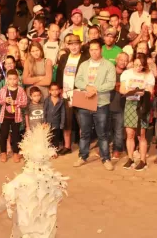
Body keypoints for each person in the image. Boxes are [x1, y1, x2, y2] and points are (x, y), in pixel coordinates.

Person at [74, 39, 116, 171]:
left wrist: (94, 89)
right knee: (85, 132)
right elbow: (77, 80)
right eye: (91, 49)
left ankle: (106, 158)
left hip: (101, 103)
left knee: (102, 133)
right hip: (85, 102)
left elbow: (111, 84)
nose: (93, 52)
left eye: (96, 49)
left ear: (101, 49)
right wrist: (87, 87)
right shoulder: (84, 65)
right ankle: (83, 156)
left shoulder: (108, 65)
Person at [120, 53, 155, 171]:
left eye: (140, 65)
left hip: (142, 106)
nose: (137, 67)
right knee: (130, 133)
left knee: (142, 135)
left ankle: (142, 160)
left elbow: (150, 92)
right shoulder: (127, 73)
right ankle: (130, 158)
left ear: (144, 65)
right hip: (130, 104)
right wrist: (131, 91)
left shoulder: (149, 75)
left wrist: (140, 92)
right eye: (135, 64)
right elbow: (122, 89)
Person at [56, 34, 88, 156]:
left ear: (80, 45)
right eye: (71, 44)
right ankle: (67, 146)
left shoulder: (85, 58)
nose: (74, 47)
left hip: (80, 92)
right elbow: (59, 73)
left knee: (82, 122)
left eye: (76, 44)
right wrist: (59, 89)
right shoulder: (64, 57)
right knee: (67, 121)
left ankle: (83, 148)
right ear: (68, 46)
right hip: (66, 94)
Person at [0, 69, 27, 163]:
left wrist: (15, 102)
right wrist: (5, 100)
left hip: (16, 117)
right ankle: (3, 153)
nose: (12, 81)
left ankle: (15, 153)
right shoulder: (3, 89)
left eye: (14, 79)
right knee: (3, 136)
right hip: (5, 117)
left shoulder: (21, 90)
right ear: (7, 79)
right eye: (10, 79)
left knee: (16, 136)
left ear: (18, 79)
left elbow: (25, 103)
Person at [43, 83, 65, 153]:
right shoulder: (47, 100)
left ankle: (54, 152)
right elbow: (44, 111)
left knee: (56, 138)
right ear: (49, 91)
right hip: (48, 123)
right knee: (48, 138)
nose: (54, 92)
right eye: (52, 90)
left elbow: (62, 112)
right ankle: (48, 152)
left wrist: (62, 124)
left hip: (57, 123)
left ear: (59, 91)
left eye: (56, 90)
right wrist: (44, 121)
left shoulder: (61, 101)